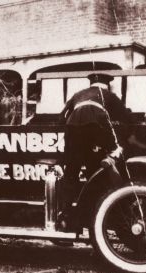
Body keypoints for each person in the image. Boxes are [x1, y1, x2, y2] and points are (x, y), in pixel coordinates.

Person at [57, 73, 127, 232]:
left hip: (72, 127)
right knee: (95, 170)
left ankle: (65, 217)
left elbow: (61, 117)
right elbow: (125, 115)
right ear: (106, 84)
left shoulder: (78, 94)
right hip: (96, 126)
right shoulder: (109, 95)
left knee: (71, 171)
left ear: (91, 83)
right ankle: (93, 214)